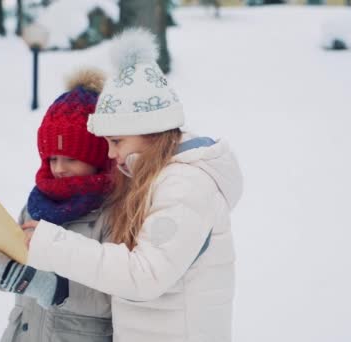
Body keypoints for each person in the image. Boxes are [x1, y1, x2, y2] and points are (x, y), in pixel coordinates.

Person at [20, 28, 243, 342]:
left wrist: (51, 244)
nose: (111, 154)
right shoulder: (155, 180)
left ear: (149, 131)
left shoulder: (186, 185)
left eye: (116, 141)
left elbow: (145, 275)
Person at [0, 68, 114, 342]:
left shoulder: (114, 211)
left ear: (97, 156)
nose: (59, 169)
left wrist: (52, 288)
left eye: (71, 158)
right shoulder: (38, 206)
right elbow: (9, 271)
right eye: (52, 158)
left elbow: (124, 293)